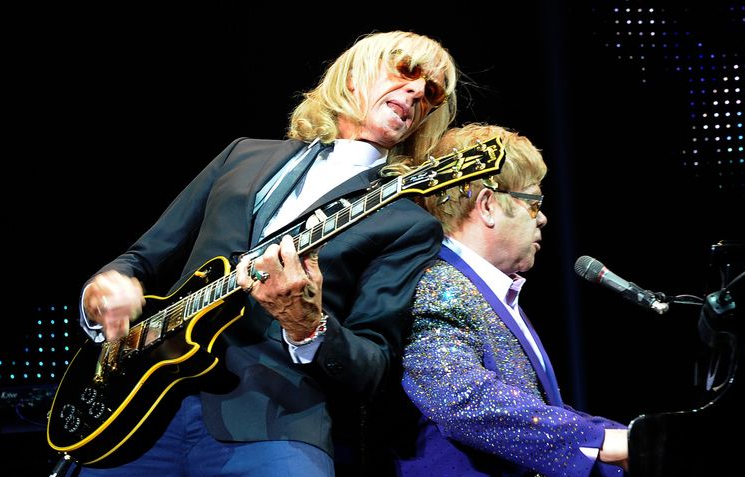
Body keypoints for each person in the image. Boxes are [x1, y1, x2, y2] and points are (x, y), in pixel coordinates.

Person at [68, 30, 458, 477]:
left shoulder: (406, 223)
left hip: (275, 424)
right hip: (139, 415)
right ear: (353, 76)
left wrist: (308, 327)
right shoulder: (243, 155)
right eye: (405, 71)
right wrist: (103, 291)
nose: (415, 92)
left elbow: (373, 367)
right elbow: (144, 257)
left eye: (430, 92)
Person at [394, 123, 629, 477]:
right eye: (534, 203)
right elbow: (460, 397)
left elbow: (535, 409)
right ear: (488, 205)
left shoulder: (484, 288)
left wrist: (629, 438)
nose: (544, 219)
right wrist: (600, 442)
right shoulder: (438, 284)